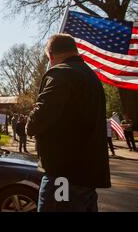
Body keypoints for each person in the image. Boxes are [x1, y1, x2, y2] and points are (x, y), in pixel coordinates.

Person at [26, 34, 110, 212]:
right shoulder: (91, 77)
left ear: (51, 54)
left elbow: (38, 119)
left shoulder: (61, 74)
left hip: (63, 175)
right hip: (87, 174)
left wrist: (30, 121)